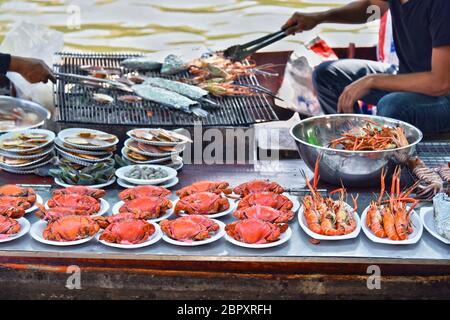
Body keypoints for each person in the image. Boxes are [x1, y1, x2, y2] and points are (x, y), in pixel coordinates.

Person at [282, 0, 450, 134]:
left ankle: (376, 153)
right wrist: (319, 17)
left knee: (391, 106)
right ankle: (351, 144)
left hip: (443, 99)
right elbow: (370, 7)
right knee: (326, 75)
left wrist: (372, 81)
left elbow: (440, 83)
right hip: (408, 78)